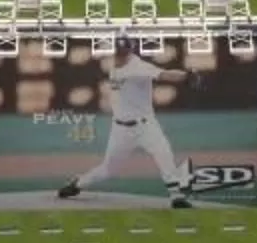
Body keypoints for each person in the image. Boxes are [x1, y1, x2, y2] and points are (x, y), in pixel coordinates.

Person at [57, 47, 195, 209]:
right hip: (120, 129)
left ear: (129, 52)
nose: (120, 56)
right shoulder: (114, 67)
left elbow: (165, 74)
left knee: (164, 155)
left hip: (146, 126)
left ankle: (176, 196)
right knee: (108, 169)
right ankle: (78, 183)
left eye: (123, 52)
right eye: (117, 52)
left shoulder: (139, 67)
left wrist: (186, 76)